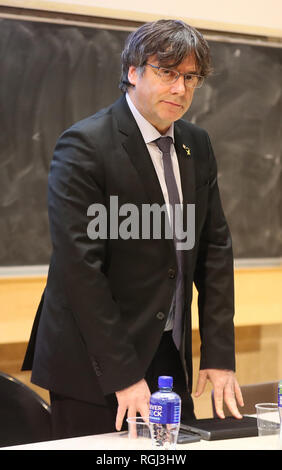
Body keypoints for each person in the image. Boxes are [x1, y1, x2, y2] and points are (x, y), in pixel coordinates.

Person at [22, 19, 244, 440]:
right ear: (133, 71)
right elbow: (80, 269)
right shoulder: (85, 145)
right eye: (167, 72)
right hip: (96, 360)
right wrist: (124, 374)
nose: (180, 89)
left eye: (190, 77)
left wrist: (218, 354)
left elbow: (214, 248)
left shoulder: (196, 143)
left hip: (169, 352)